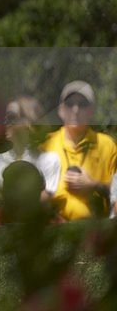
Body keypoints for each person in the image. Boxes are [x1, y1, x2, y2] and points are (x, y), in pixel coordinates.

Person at [41, 81, 116, 221]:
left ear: (91, 111)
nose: (75, 110)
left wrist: (93, 185)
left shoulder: (107, 145)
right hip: (54, 233)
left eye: (82, 104)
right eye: (69, 104)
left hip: (97, 233)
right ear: (60, 110)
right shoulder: (45, 145)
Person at [0, 96, 60, 219]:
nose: (5, 123)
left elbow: (47, 202)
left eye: (11, 118)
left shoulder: (49, 160)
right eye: (5, 118)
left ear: (29, 122)